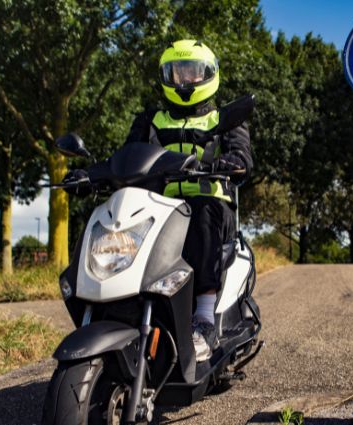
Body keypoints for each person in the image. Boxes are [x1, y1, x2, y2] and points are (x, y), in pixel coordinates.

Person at [65, 40, 252, 362]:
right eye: (177, 73)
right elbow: (123, 156)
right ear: (166, 76)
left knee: (203, 214)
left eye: (192, 72)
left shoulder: (224, 119)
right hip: (155, 206)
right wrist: (89, 174)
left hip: (206, 203)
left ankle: (204, 319)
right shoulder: (150, 120)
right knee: (112, 217)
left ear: (209, 75)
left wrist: (230, 162)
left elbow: (242, 157)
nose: (184, 80)